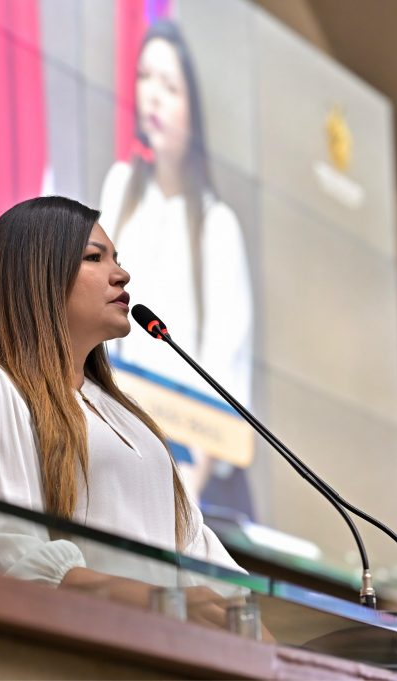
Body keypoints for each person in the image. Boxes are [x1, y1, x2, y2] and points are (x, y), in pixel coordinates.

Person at [0, 196, 246, 626]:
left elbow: (212, 573)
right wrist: (165, 603)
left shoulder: (132, 421)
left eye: (116, 260)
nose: (122, 274)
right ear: (36, 274)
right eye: (94, 257)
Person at [98, 19, 254, 515]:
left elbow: (224, 368)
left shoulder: (217, 224)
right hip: (109, 437)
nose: (153, 97)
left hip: (188, 469)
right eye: (145, 79)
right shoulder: (121, 185)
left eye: (170, 86)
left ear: (194, 108)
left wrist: (186, 485)